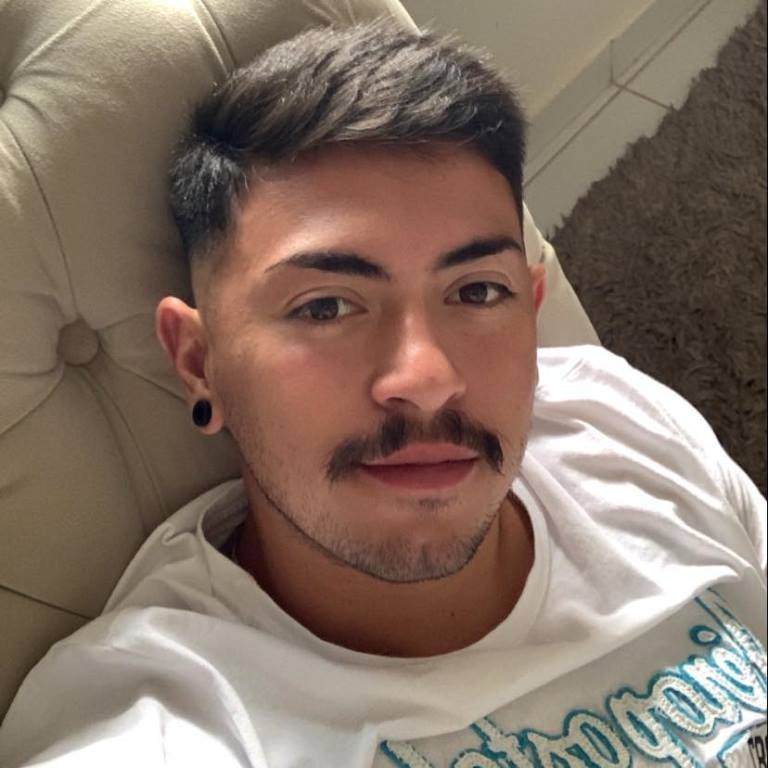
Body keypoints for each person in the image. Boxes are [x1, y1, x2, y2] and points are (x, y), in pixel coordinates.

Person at [0, 18, 765, 768]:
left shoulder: (619, 418)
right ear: (201, 363)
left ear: (531, 310)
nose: (427, 378)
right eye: (326, 307)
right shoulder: (169, 725)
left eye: (477, 291)